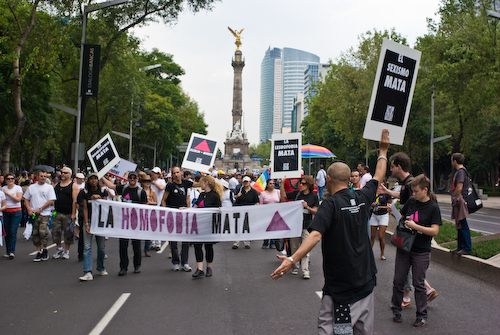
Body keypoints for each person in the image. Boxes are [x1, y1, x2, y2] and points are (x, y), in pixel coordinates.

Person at [271, 129, 390, 335]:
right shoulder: (363, 197)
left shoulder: (330, 205)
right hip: (366, 280)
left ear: (328, 178)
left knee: (332, 329)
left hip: (341, 289)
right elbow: (379, 175)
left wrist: (292, 260)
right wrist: (383, 150)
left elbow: (316, 235)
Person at [379, 152, 438, 309]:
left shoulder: (412, 183)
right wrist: (388, 192)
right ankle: (425, 290)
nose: (390, 170)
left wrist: (407, 221)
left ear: (398, 166)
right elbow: (403, 196)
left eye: (392, 166)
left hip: (411, 233)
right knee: (408, 265)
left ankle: (408, 297)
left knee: (407, 265)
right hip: (408, 228)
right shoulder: (407, 183)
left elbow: (414, 208)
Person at [391, 174, 441, 327]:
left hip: (421, 250)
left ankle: (421, 315)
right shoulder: (412, 202)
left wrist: (415, 226)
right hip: (405, 247)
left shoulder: (433, 208)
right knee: (399, 279)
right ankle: (396, 309)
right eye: (412, 191)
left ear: (425, 190)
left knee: (418, 283)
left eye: (416, 191)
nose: (413, 194)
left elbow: (434, 231)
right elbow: (403, 217)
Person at [101, 171, 147, 275]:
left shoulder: (141, 192)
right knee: (123, 246)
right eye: (130, 177)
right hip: (124, 222)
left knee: (136, 246)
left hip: (136, 222)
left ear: (137, 179)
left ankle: (137, 265)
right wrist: (101, 176)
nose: (132, 179)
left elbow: (145, 207)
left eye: (134, 177)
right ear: (128, 178)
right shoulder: (124, 188)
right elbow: (111, 186)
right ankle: (123, 267)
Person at [280, 175, 319, 279]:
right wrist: (283, 183)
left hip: (307, 225)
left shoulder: (313, 196)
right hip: (295, 225)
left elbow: (316, 211)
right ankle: (295, 267)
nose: (301, 185)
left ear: (309, 185)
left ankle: (305, 270)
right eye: (301, 183)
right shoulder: (297, 194)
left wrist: (307, 207)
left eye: (303, 184)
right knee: (294, 247)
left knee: (305, 249)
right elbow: (283, 196)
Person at [161, 166, 194, 272]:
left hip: (184, 215)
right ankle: (175, 262)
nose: (176, 174)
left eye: (177, 172)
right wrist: (166, 212)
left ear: (181, 172)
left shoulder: (186, 183)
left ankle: (185, 262)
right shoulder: (169, 186)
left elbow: (200, 184)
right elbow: (163, 200)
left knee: (185, 240)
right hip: (172, 215)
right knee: (173, 240)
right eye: (174, 173)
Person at [79, 173, 109, 281]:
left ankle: (101, 267)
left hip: (100, 222)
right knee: (87, 247)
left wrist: (99, 198)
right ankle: (87, 271)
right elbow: (85, 208)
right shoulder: (84, 192)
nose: (93, 181)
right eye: (91, 179)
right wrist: (86, 224)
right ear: (88, 180)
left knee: (101, 247)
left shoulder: (102, 191)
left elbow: (105, 206)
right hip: (90, 221)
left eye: (95, 179)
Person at [191, 175, 222, 278]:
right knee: (197, 245)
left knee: (208, 246)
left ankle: (209, 268)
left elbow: (219, 210)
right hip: (199, 224)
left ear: (206, 183)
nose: (200, 184)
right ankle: (200, 269)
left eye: (201, 182)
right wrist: (185, 209)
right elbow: (195, 207)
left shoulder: (215, 196)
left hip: (210, 225)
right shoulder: (201, 195)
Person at [23, 170, 57, 262]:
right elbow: (26, 199)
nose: (43, 178)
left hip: (44, 213)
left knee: (43, 232)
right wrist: (29, 209)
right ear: (37, 176)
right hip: (34, 214)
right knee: (36, 233)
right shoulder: (32, 187)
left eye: (45, 176)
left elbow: (51, 200)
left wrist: (41, 209)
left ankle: (45, 249)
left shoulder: (49, 187)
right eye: (41, 176)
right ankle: (38, 252)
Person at [52, 167, 79, 260]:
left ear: (70, 175)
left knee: (68, 233)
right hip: (58, 212)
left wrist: (73, 213)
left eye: (65, 173)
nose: (62, 174)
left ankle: (67, 251)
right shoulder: (57, 185)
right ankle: (59, 248)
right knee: (56, 232)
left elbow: (74, 201)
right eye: (62, 173)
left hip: (68, 213)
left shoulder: (73, 186)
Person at [451, 153, 472, 256]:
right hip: (461, 200)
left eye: (452, 160)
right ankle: (460, 246)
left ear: (455, 161)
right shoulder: (462, 171)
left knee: (462, 223)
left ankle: (467, 248)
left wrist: (454, 197)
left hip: (460, 200)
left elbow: (459, 187)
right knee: (459, 223)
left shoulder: (461, 172)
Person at [232, 175, 259, 249]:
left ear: (250, 182)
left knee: (247, 226)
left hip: (249, 211)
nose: (246, 183)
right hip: (239, 210)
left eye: (247, 181)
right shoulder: (240, 190)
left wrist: (258, 208)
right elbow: (234, 197)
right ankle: (236, 243)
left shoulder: (253, 192)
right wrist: (237, 196)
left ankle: (247, 242)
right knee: (238, 226)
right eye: (245, 182)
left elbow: (257, 201)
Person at [1, 172, 24, 259]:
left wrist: (8, 194)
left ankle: (12, 251)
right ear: (5, 180)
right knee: (6, 232)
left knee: (12, 232)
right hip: (6, 212)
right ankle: (7, 251)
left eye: (12, 179)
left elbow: (18, 199)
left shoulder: (18, 188)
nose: (10, 180)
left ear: (15, 180)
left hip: (16, 212)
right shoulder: (3, 188)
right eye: (8, 179)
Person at [369, 181, 392, 260]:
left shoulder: (386, 194)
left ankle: (382, 253)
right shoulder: (373, 193)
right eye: (378, 186)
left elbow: (390, 206)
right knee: (372, 236)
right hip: (374, 215)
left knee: (381, 236)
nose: (379, 187)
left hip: (383, 216)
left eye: (381, 185)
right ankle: (369, 253)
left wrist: (381, 207)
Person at [260, 179, 280, 249]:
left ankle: (273, 242)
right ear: (267, 185)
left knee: (274, 228)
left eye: (273, 183)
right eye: (270, 183)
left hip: (276, 213)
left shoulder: (278, 192)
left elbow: (281, 202)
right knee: (267, 228)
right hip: (266, 214)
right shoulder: (263, 194)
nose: (272, 185)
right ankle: (265, 242)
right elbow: (261, 205)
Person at [141, 174, 158, 257]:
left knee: (147, 232)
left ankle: (146, 249)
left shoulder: (153, 191)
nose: (147, 183)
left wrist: (150, 203)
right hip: (141, 213)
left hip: (149, 213)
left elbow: (156, 202)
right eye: (145, 181)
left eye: (148, 181)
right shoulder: (140, 191)